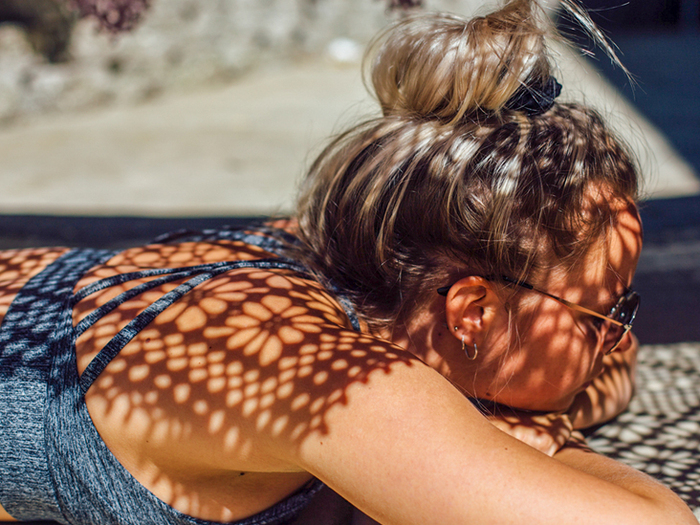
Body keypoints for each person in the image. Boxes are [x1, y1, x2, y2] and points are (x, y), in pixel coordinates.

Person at [0, 1, 697, 524]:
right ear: (474, 311)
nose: (617, 333)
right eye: (600, 310)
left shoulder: (338, 250)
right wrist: (533, 442)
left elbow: (613, 365)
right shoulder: (347, 384)